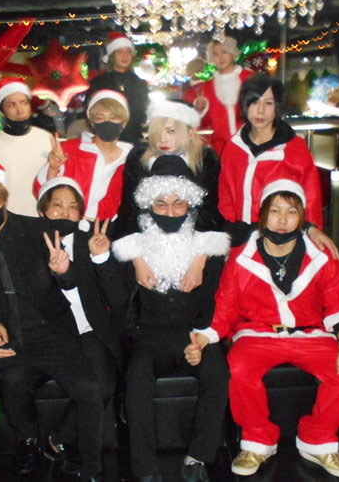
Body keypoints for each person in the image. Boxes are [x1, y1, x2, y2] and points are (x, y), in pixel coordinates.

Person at [0, 159, 104, 482]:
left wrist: (63, 271)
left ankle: (92, 470)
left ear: (3, 198)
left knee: (90, 390)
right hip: (4, 336)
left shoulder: (38, 230)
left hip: (49, 331)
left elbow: (69, 282)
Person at [190, 180, 339, 478]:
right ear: (263, 214)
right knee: (237, 368)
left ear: (302, 218)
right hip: (258, 334)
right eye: (275, 211)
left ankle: (318, 440)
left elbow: (338, 299)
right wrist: (205, 337)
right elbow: (225, 308)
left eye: (291, 212)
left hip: (311, 334)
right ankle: (257, 442)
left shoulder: (322, 255)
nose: (282, 219)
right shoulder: (240, 258)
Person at [0, 176, 127, 475]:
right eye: (57, 206)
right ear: (42, 211)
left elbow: (118, 299)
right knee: (11, 381)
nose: (65, 212)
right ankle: (27, 438)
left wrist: (101, 258)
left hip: (85, 331)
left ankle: (61, 439)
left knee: (104, 384)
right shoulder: (24, 244)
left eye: (72, 207)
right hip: (40, 335)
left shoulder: (91, 241)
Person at [112, 156, 231, 482]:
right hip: (148, 335)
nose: (169, 212)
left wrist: (202, 338)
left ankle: (199, 456)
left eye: (178, 204)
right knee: (136, 379)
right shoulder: (134, 248)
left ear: (189, 205)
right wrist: (136, 260)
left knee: (218, 374)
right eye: (161, 204)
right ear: (149, 205)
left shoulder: (206, 248)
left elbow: (218, 300)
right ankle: (145, 469)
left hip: (195, 332)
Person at [218, 73, 323, 230]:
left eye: (268, 103)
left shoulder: (295, 149)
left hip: (280, 237)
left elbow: (311, 199)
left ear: (277, 107)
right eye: (255, 102)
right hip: (240, 236)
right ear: (245, 104)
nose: (260, 111)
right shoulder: (233, 147)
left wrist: (311, 229)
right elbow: (225, 197)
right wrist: (228, 233)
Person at [114, 99, 223, 238]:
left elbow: (209, 209)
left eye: (171, 131)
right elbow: (129, 208)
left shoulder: (205, 159)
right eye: (157, 132)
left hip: (194, 236)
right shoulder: (139, 158)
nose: (162, 139)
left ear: (190, 133)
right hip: (145, 235)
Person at [34, 90, 133, 225]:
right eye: (100, 117)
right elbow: (41, 192)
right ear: (92, 122)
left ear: (124, 122)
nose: (107, 122)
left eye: (114, 117)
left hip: (106, 230)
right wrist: (53, 168)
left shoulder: (131, 159)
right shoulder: (69, 150)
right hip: (66, 225)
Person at [0, 77, 55, 216]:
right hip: (9, 218)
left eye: (24, 103)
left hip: (44, 216)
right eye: (11, 105)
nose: (20, 110)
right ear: (2, 111)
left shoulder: (46, 138)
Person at [183, 37, 253, 156]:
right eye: (215, 54)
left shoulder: (249, 79)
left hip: (250, 145)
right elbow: (203, 124)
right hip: (221, 150)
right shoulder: (207, 87)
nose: (220, 57)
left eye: (224, 52)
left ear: (232, 53)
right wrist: (200, 109)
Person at [85, 32, 149, 145]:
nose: (125, 56)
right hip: (106, 139)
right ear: (112, 56)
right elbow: (89, 111)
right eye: (120, 52)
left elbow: (143, 112)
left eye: (128, 52)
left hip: (133, 139)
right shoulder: (99, 82)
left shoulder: (140, 83)